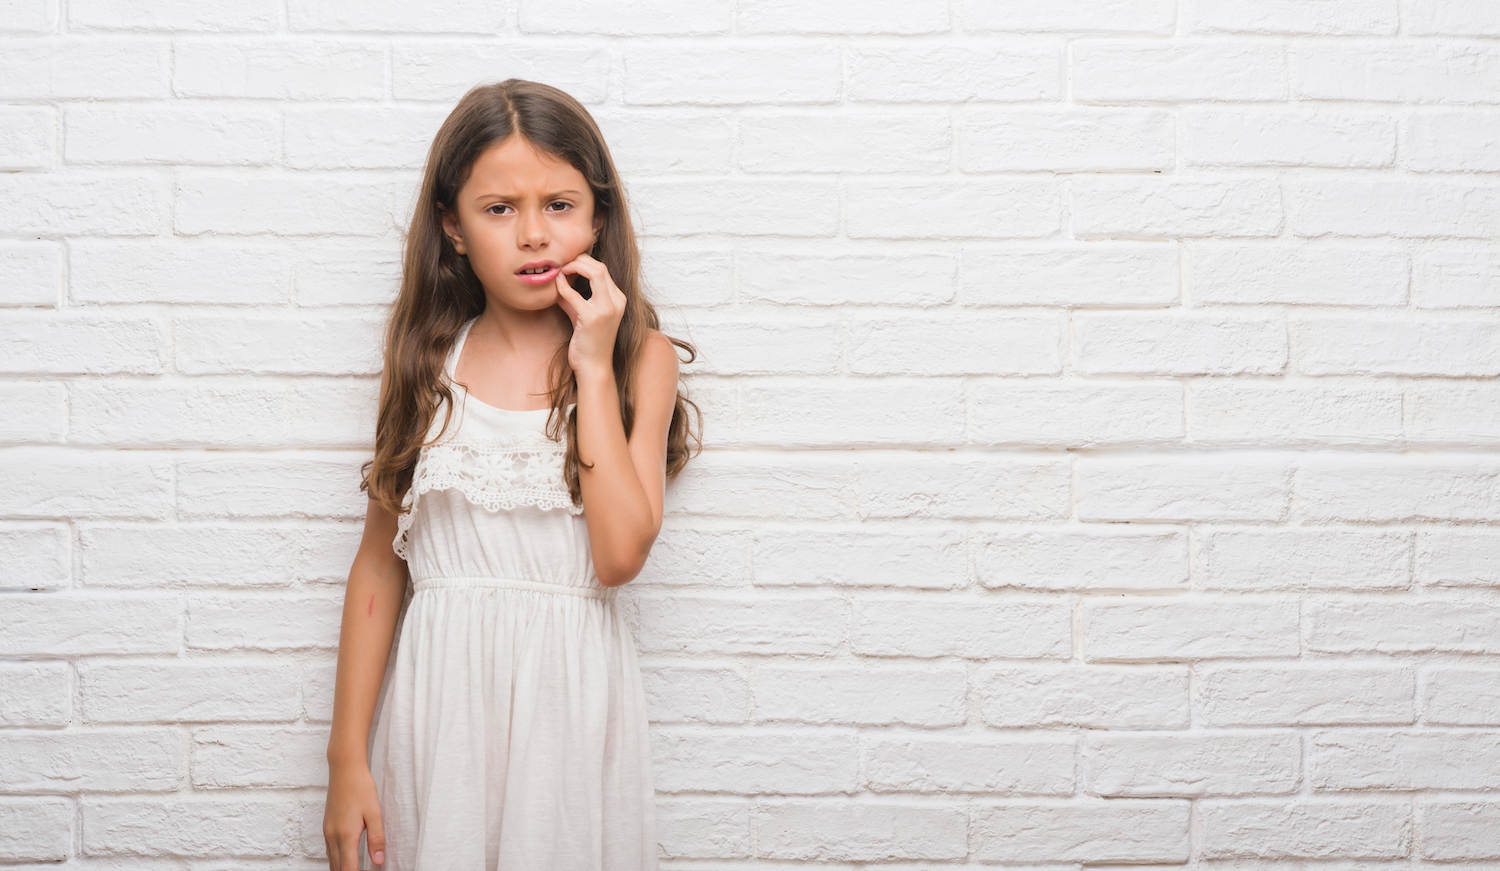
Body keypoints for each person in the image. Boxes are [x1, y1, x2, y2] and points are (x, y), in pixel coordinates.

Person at [321, 79, 698, 871]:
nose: (534, 234)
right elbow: (379, 568)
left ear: (598, 216)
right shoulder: (428, 363)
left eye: (559, 205)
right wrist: (344, 758)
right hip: (440, 708)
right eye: (499, 209)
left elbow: (621, 555)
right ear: (453, 227)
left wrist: (592, 365)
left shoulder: (640, 362)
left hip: (569, 706)